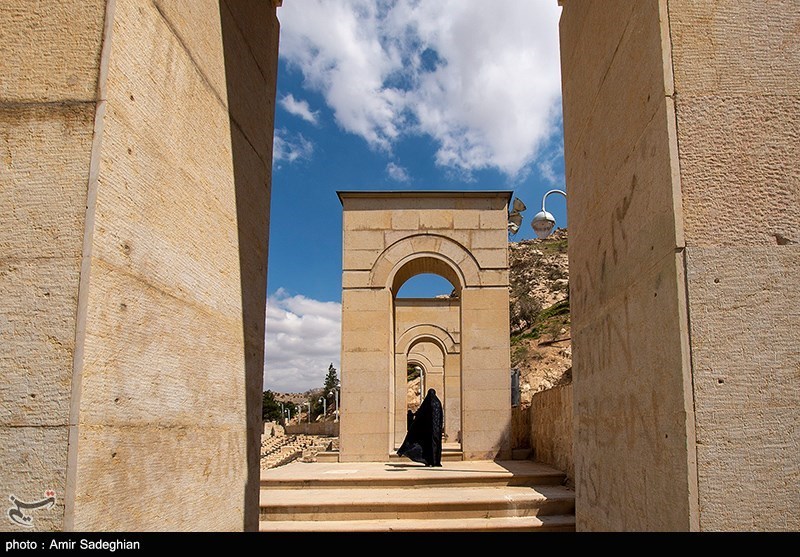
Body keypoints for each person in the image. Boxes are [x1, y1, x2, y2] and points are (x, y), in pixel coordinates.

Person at [397, 388, 443, 467]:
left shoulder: (427, 403)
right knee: (436, 445)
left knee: (427, 445)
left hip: (428, 431)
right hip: (436, 430)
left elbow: (420, 415)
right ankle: (436, 461)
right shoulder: (438, 403)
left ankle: (429, 461)